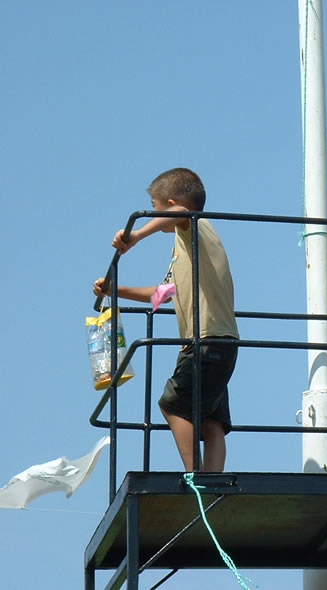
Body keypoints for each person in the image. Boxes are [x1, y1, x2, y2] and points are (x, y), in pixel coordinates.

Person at [92, 167, 239, 472]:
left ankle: (195, 475)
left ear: (169, 204)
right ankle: (212, 480)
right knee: (211, 418)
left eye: (155, 208)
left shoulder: (194, 225)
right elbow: (160, 294)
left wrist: (136, 235)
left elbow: (182, 210)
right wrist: (113, 289)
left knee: (172, 405)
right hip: (221, 342)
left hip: (205, 341)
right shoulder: (183, 248)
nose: (153, 214)